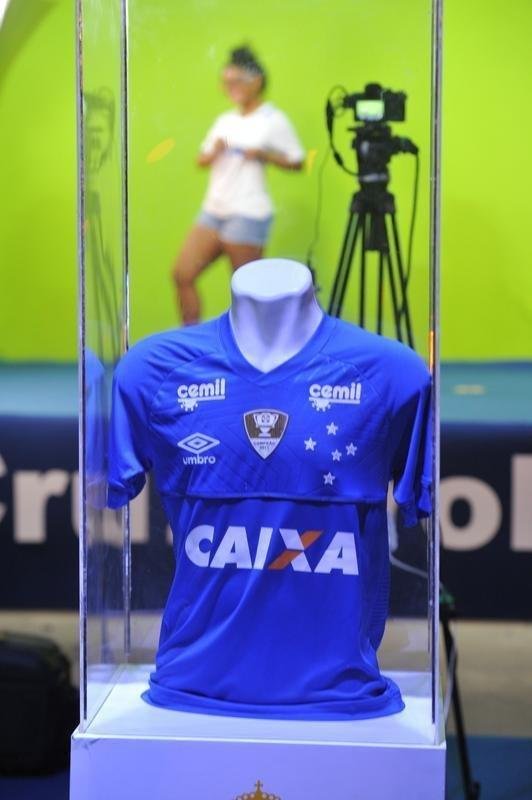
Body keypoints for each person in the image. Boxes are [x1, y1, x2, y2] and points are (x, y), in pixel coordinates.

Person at [172, 45, 305, 324]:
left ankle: (254, 360)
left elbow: (297, 161)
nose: (230, 87)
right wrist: (214, 151)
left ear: (255, 81)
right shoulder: (225, 120)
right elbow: (201, 159)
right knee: (182, 274)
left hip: (248, 212)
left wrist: (264, 155)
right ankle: (189, 347)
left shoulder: (273, 120)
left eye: (236, 81)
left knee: (248, 295)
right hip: (214, 210)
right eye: (226, 82)